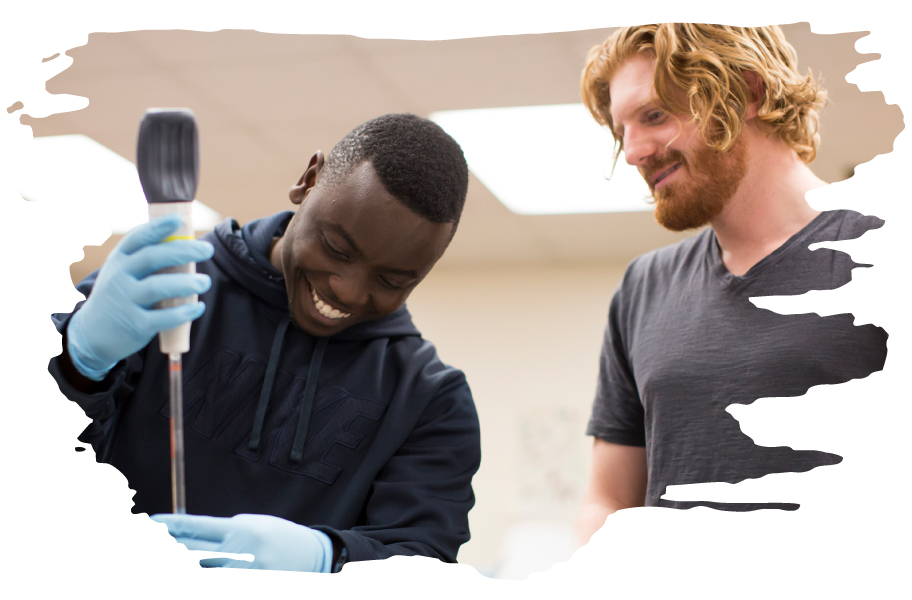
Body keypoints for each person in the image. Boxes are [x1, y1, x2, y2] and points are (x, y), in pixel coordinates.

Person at [49, 113, 481, 573]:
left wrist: (328, 559)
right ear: (308, 181)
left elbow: (425, 562)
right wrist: (78, 362)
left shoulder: (431, 401)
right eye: (337, 248)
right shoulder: (157, 289)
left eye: (393, 279)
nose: (349, 291)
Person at [574, 24, 888, 544]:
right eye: (620, 131)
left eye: (654, 116)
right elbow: (608, 500)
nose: (632, 152)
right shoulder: (642, 288)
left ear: (748, 93)